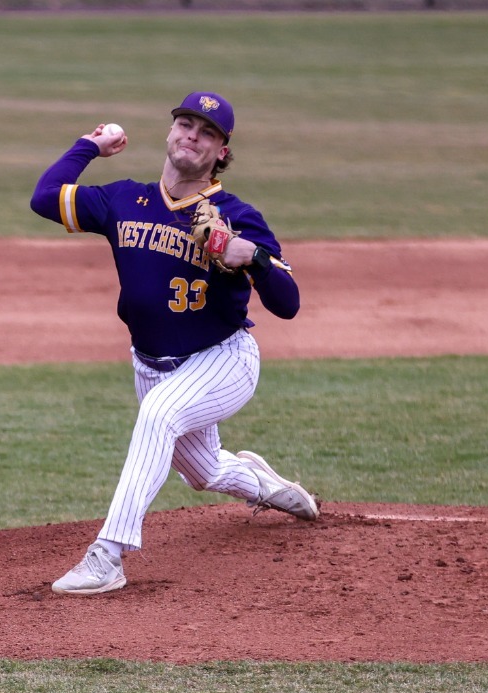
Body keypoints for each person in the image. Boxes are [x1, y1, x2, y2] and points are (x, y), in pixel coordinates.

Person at [30, 92, 317, 596]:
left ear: (222, 152)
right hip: (152, 365)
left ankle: (108, 556)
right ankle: (266, 485)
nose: (192, 135)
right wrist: (88, 145)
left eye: (207, 132)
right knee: (205, 473)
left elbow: (288, 304)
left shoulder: (236, 215)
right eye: (185, 124)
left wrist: (253, 259)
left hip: (223, 359)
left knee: (159, 415)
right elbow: (44, 196)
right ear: (170, 134)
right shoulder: (124, 199)